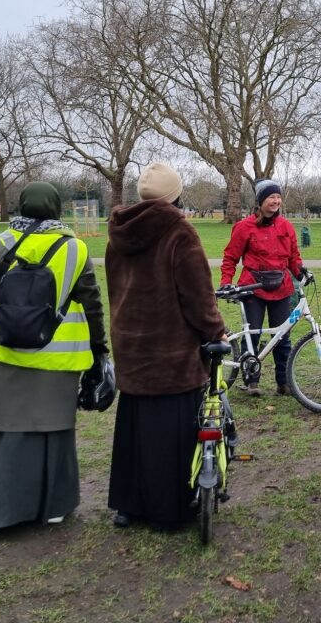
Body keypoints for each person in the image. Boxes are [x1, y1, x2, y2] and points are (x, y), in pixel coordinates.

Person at [0, 182, 107, 530]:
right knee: (54, 430)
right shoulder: (75, 248)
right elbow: (92, 304)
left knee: (4, 427)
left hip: (5, 353)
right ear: (56, 207)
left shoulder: (2, 243)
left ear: (22, 206)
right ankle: (54, 507)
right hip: (58, 359)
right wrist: (100, 350)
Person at [105, 162, 227, 530]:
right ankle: (168, 509)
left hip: (130, 342)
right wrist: (215, 332)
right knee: (170, 432)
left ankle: (129, 505)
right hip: (170, 349)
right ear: (175, 194)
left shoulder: (119, 232)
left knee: (135, 428)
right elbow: (198, 296)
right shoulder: (180, 233)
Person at [219, 177, 304, 396]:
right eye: (271, 197)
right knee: (252, 336)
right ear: (260, 201)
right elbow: (230, 257)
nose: (276, 201)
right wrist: (226, 282)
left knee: (282, 338)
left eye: (278, 197)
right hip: (253, 288)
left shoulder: (286, 226)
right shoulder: (243, 227)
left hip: (282, 288)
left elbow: (294, 256)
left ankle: (284, 383)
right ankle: (252, 382)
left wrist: (301, 272)